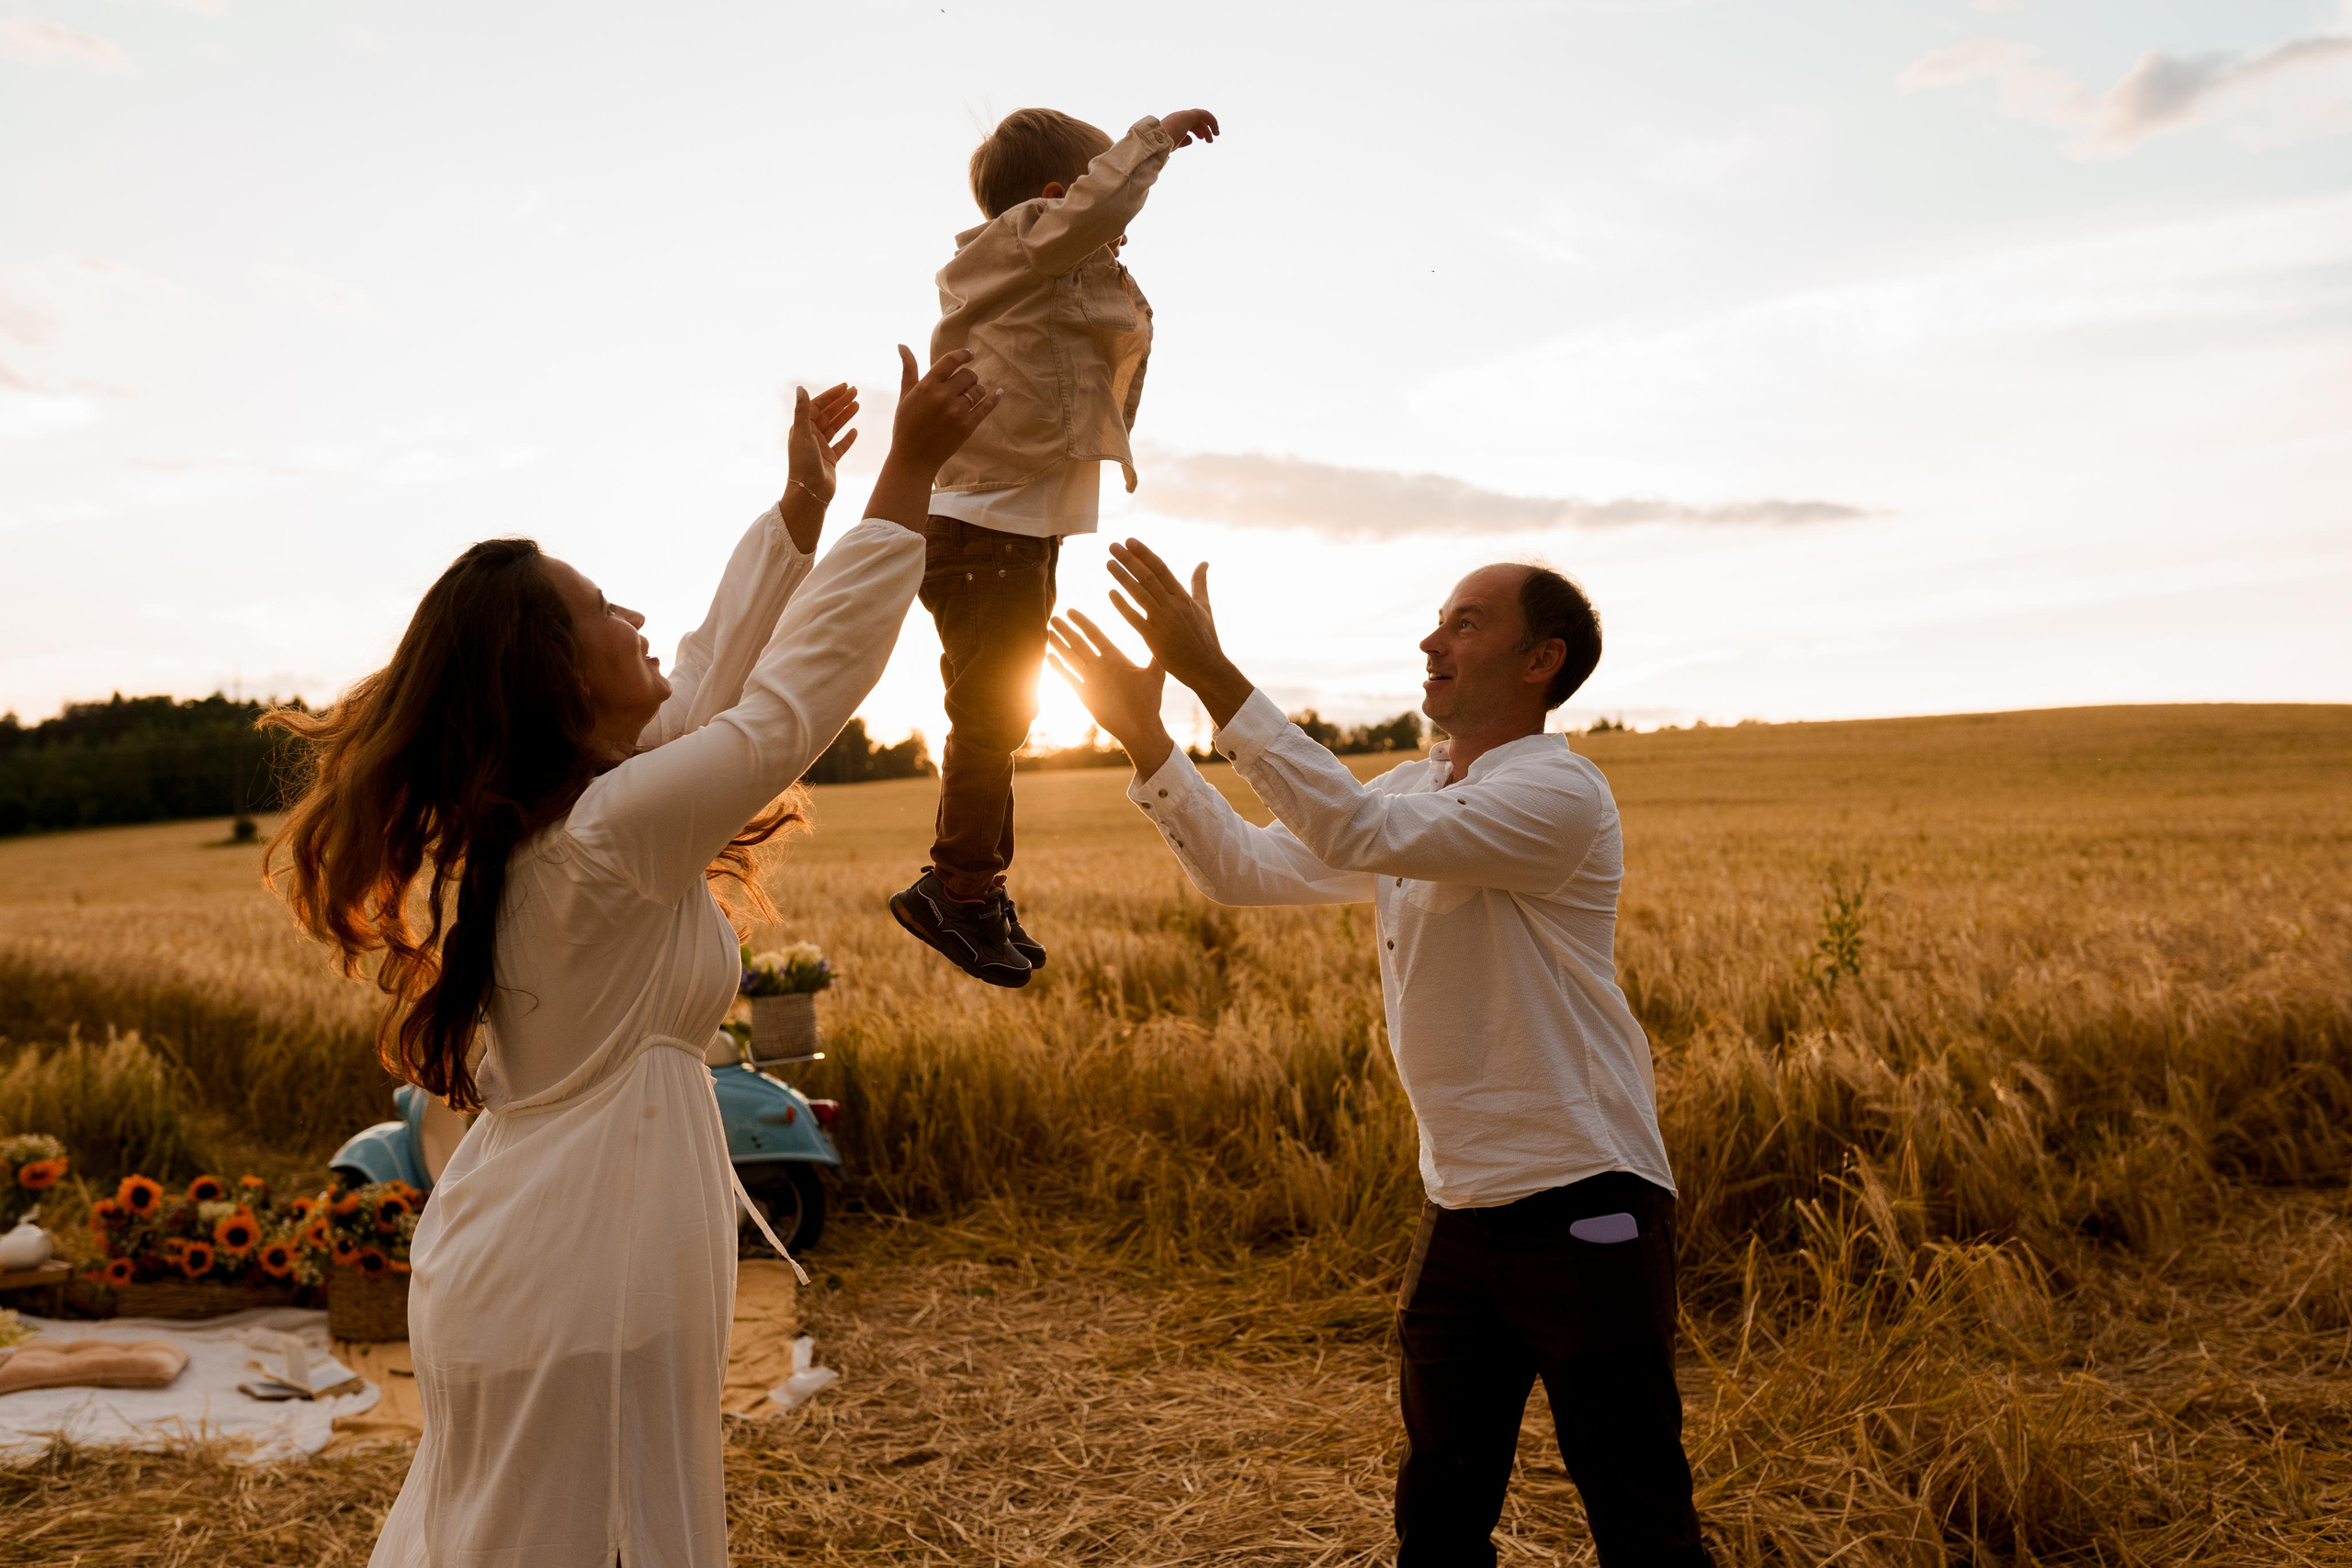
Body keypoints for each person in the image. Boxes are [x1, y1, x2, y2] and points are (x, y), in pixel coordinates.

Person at [265, 347, 999, 1568]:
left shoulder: (580, 820)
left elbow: (709, 683)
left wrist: (800, 517)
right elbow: (778, 711)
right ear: (551, 671)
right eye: (605, 609)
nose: (639, 617)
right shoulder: (603, 836)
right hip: (573, 1266)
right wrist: (909, 475)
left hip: (555, 1249)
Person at [1048, 542, 1712, 1567]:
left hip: (1588, 1203)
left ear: (1542, 661)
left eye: (1465, 623)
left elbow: (1352, 829)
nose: (1430, 640)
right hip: (1458, 1215)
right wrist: (1147, 739)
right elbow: (1246, 871)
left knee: (1639, 1519)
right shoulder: (1416, 788)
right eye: (1441, 619)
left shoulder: (1561, 797)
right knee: (1438, 1521)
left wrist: (1211, 677)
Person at [888, 105, 1220, 987]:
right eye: (1097, 199)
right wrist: (1152, 141)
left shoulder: (1047, 275)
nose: (1114, 242)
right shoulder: (1021, 243)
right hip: (985, 527)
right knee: (991, 716)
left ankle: (974, 887)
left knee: (1003, 714)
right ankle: (955, 889)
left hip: (1016, 530)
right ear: (1052, 198)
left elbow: (1106, 364)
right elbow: (1095, 217)